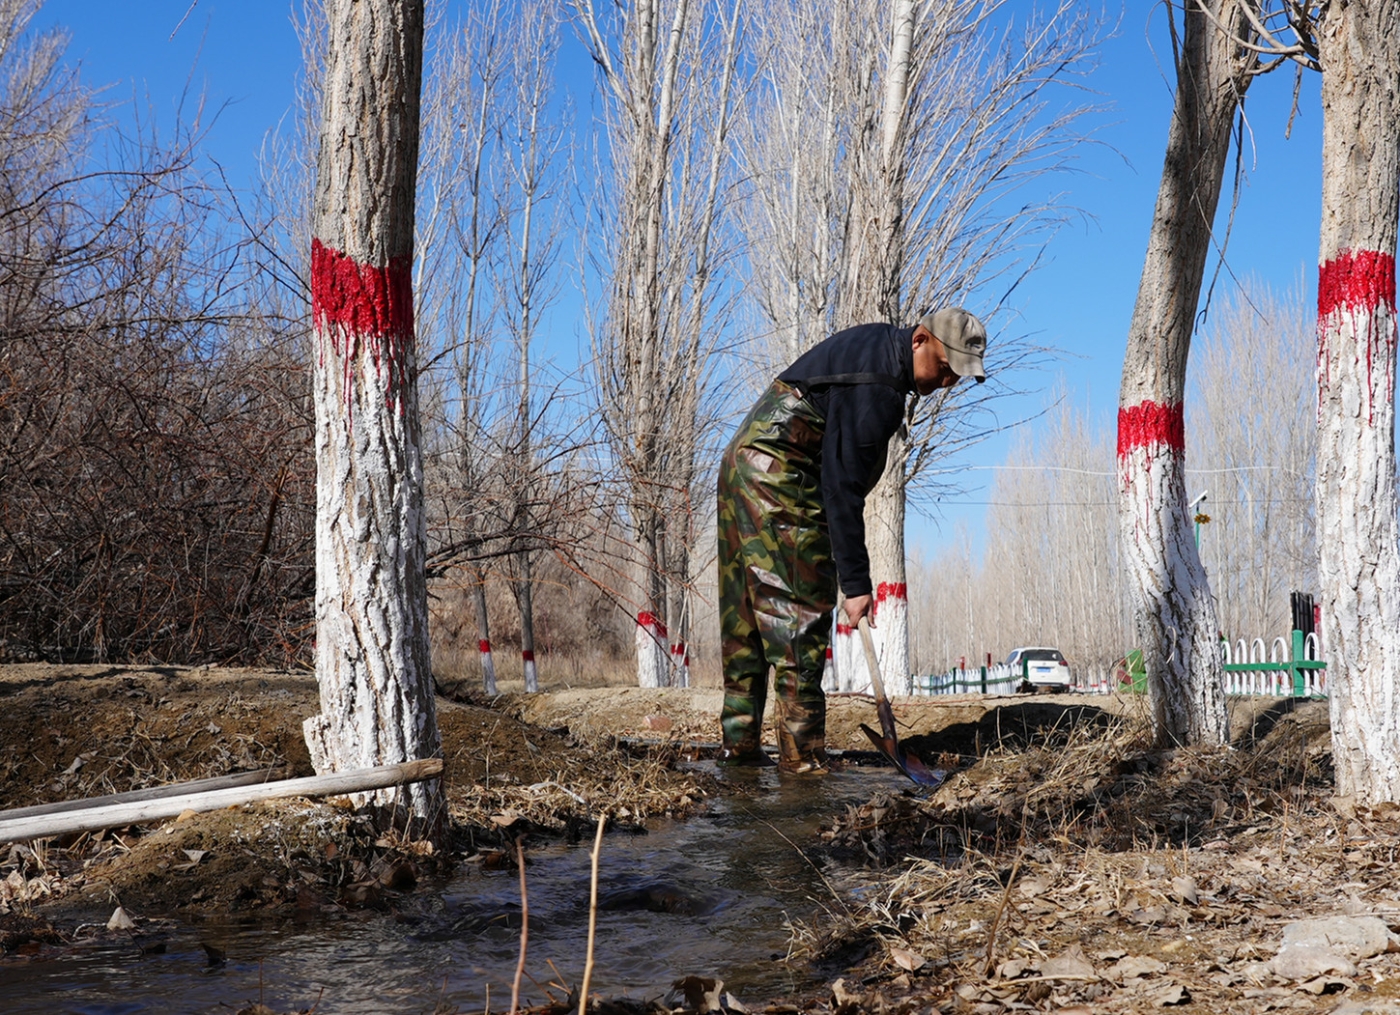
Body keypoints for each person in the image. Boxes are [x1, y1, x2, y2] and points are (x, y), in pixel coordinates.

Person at [717, 308, 988, 773]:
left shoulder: (879, 348)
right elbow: (841, 485)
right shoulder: (880, 389)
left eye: (955, 378)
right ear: (921, 340)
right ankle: (802, 779)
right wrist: (857, 584)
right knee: (798, 625)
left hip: (741, 464)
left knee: (745, 625)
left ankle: (738, 761)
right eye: (944, 369)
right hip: (780, 477)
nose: (945, 383)